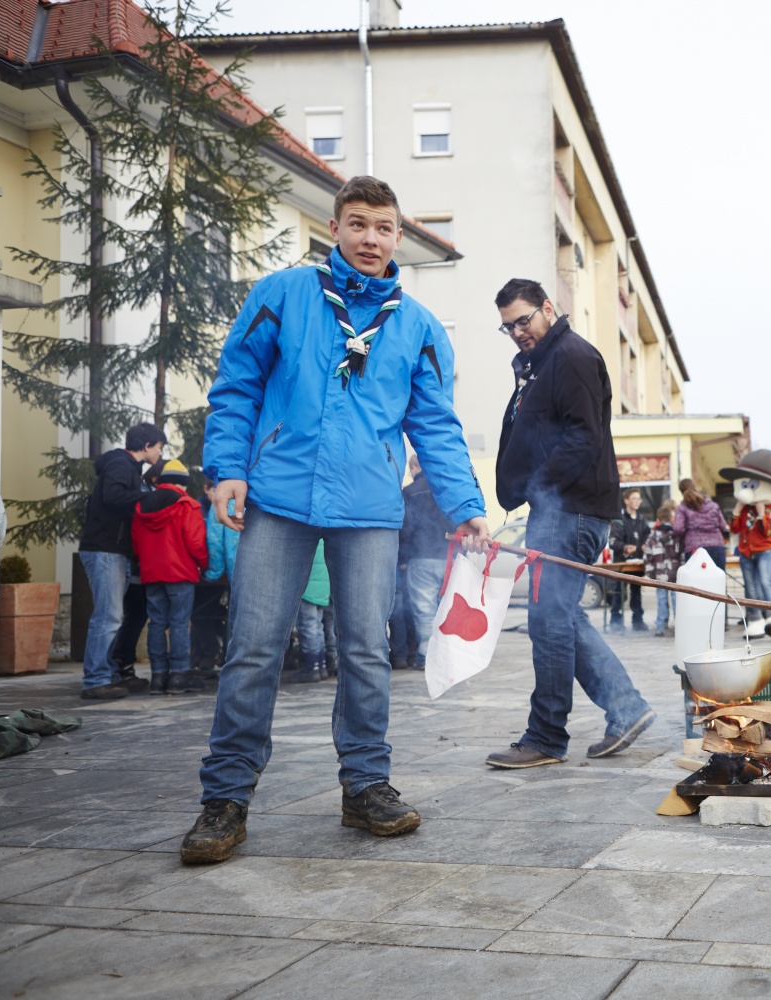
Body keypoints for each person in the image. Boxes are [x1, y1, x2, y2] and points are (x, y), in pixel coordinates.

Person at [181, 176, 489, 865]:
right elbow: (236, 386)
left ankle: (366, 787)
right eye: (358, 224)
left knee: (366, 650)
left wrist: (467, 505)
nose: (371, 239)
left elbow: (436, 426)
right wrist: (226, 468)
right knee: (254, 646)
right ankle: (225, 800)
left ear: (397, 236)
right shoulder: (282, 295)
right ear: (336, 229)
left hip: (368, 510)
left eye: (383, 228)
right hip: (278, 498)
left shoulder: (417, 327)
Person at [486, 278, 654, 769]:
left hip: (569, 510)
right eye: (508, 326)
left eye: (524, 320)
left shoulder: (573, 356)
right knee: (558, 618)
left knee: (549, 622)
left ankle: (546, 736)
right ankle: (627, 708)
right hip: (557, 509)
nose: (518, 332)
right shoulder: (540, 366)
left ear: (547, 308)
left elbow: (583, 438)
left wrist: (539, 484)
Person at [77, 422, 165, 700]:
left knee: (113, 616)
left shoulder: (128, 467)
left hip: (115, 550)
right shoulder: (120, 464)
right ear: (147, 445)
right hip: (105, 550)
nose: (160, 453)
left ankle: (111, 675)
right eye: (160, 447)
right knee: (108, 616)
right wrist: (149, 497)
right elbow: (112, 496)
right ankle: (95, 680)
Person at [131, 460, 209, 695]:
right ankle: (179, 675)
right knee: (178, 623)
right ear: (181, 484)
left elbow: (135, 542)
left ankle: (158, 676)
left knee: (156, 623)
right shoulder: (188, 505)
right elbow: (196, 543)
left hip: (152, 573)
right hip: (180, 572)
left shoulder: (142, 506)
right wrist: (203, 565)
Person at [723, 449, 771, 639]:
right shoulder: (744, 509)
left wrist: (762, 514)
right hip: (746, 552)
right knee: (750, 587)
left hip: (765, 550)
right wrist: (737, 510)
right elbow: (734, 528)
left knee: (765, 583)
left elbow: (769, 531)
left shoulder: (769, 507)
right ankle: (755, 621)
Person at [399, 452, 454, 670]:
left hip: (421, 557)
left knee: (424, 609)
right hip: (449, 557)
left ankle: (425, 654)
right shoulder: (447, 489)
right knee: (446, 607)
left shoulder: (409, 492)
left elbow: (406, 527)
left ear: (414, 468)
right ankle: (446, 655)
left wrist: (403, 558)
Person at [192, 477, 238, 683]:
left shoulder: (220, 502)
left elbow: (215, 542)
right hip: (263, 571)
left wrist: (213, 572)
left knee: (225, 617)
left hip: (232, 572)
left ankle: (229, 662)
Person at [286, 542, 333, 684]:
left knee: (308, 628)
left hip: (307, 588)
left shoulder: (307, 535)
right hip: (322, 587)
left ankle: (311, 667)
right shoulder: (325, 537)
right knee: (317, 627)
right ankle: (321, 666)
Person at [609, 488, 651, 632]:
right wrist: (625, 547)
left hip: (637, 563)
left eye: (639, 498)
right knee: (620, 592)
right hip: (621, 563)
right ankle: (615, 621)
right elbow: (613, 542)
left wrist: (646, 544)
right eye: (634, 498)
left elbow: (648, 536)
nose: (637, 501)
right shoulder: (619, 519)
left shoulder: (641, 519)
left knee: (636, 592)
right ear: (626, 501)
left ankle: (638, 621)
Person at [643, 499, 684, 636]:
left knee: (661, 599)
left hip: (660, 573)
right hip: (675, 573)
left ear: (658, 519)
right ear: (671, 518)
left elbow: (648, 555)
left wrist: (649, 573)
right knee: (676, 598)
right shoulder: (676, 535)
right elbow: (682, 553)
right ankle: (680, 625)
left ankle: (661, 625)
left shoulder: (653, 535)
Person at [673, 478, 730, 569]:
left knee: (696, 581)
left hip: (694, 548)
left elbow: (678, 528)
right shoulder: (713, 505)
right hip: (716, 545)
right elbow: (723, 526)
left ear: (681, 492)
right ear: (695, 487)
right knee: (718, 580)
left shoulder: (682, 508)